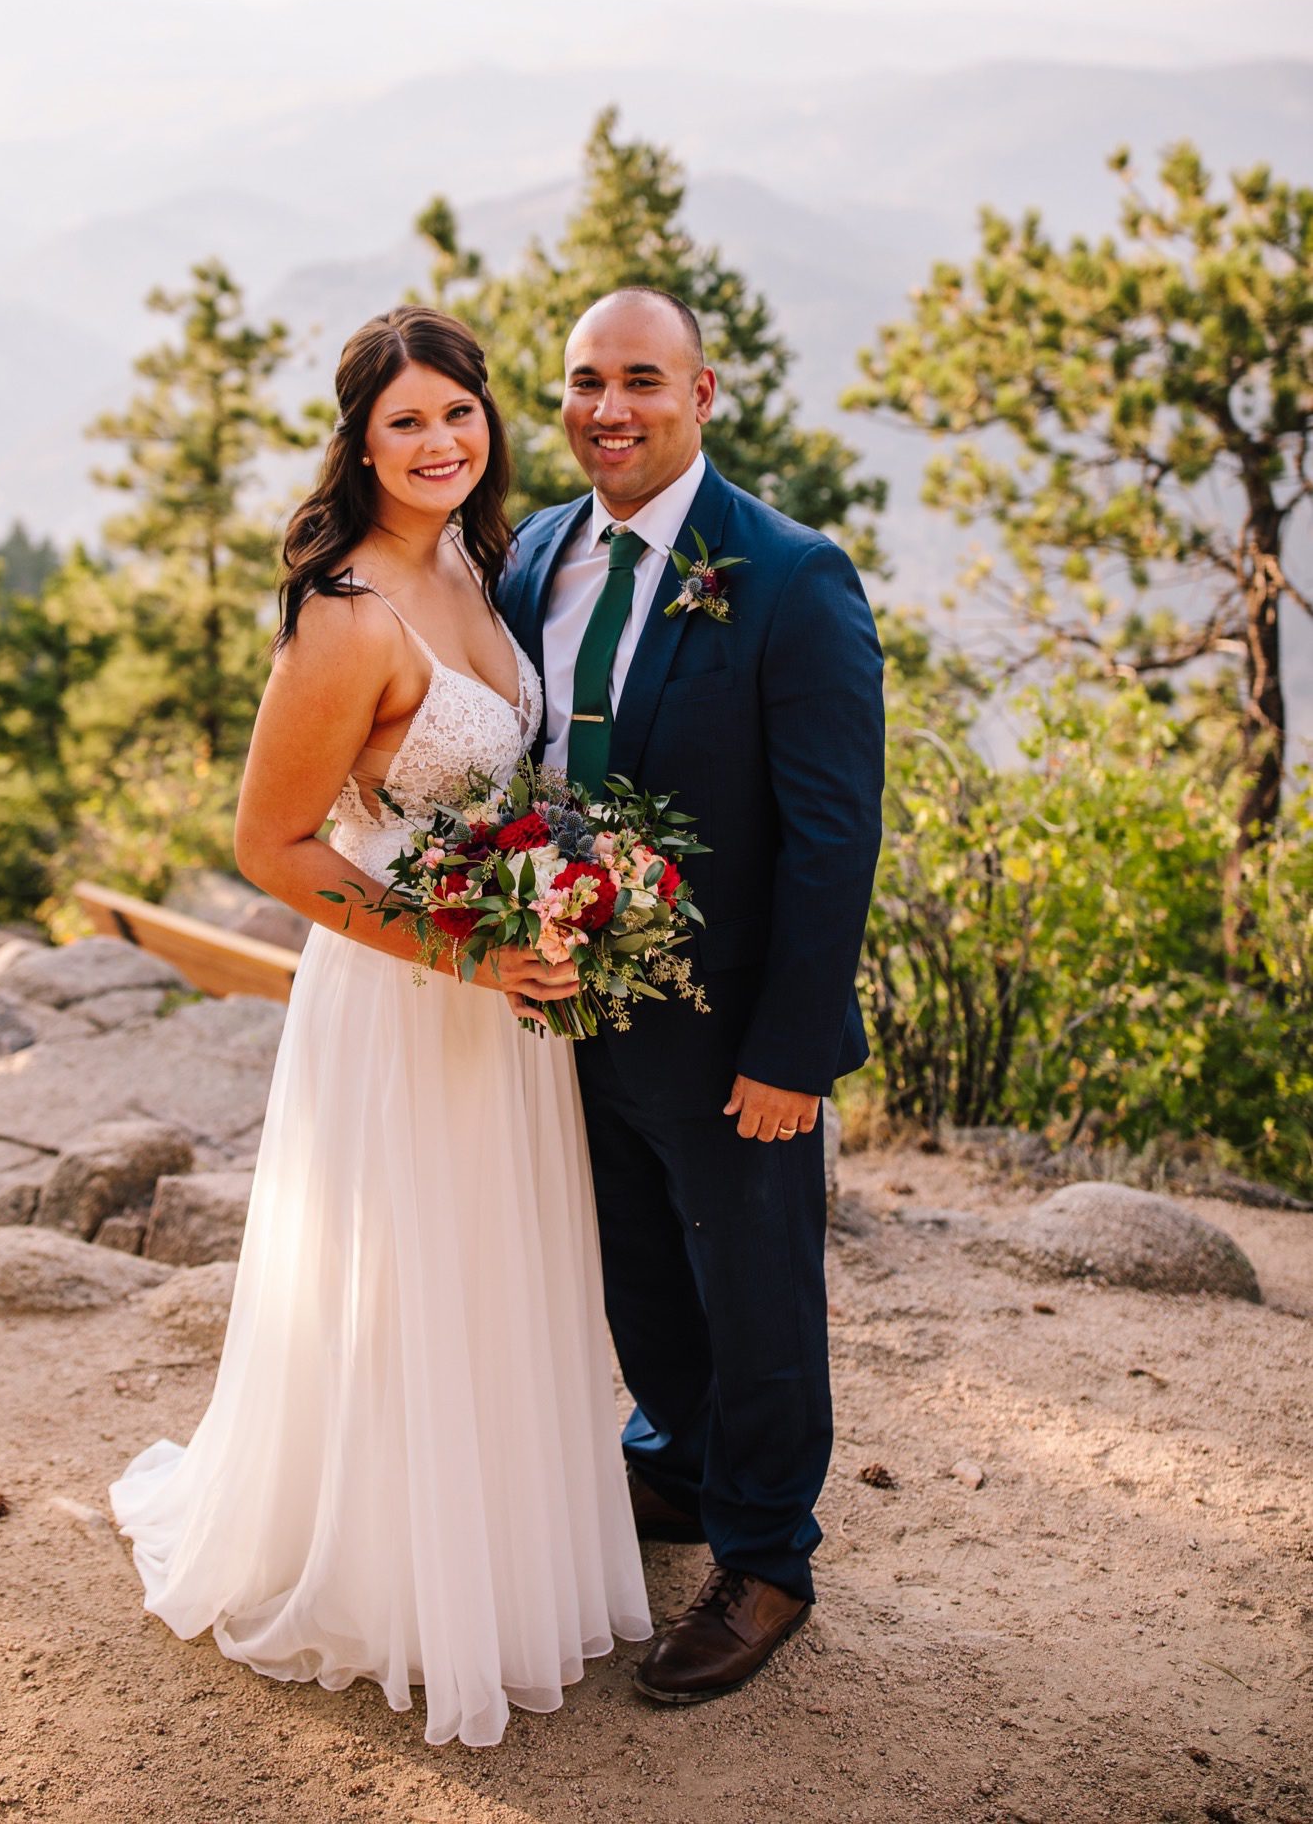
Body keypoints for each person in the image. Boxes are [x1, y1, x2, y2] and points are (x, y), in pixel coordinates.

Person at [110, 306, 651, 1750]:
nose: (439, 442)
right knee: (409, 1274)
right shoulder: (349, 613)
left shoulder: (482, 559)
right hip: (410, 991)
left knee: (498, 1269)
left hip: (503, 987)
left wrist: (556, 902)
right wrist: (463, 954)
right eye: (406, 420)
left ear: (489, 422)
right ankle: (396, 1584)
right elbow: (273, 844)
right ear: (359, 437)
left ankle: (505, 1550)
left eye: (459, 413)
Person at [499, 286, 884, 1704]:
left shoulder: (789, 575)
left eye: (642, 379)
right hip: (571, 1011)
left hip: (735, 1038)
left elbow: (836, 833)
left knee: (757, 1292)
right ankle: (674, 1461)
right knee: (639, 1272)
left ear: (703, 392)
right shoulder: (536, 550)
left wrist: (793, 1047)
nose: (610, 406)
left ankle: (769, 1557)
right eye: (585, 380)